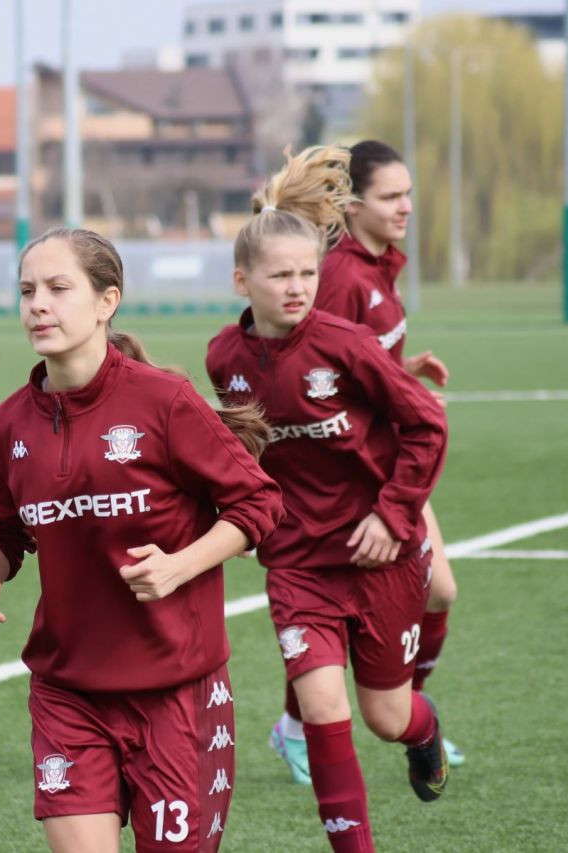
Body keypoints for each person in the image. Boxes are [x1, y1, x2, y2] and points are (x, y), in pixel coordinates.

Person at [0, 226, 283, 852]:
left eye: (57, 288)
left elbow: (259, 501)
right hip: (67, 693)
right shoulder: (5, 428)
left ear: (107, 302)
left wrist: (180, 566)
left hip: (176, 693)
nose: (38, 305)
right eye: (27, 291)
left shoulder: (165, 402)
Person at [206, 145, 450, 852]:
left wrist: (394, 512)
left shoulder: (347, 345)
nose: (297, 287)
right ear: (241, 279)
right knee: (319, 703)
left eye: (308, 273)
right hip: (298, 563)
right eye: (280, 275)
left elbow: (426, 422)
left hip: (380, 554)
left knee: (385, 714)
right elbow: (240, 452)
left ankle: (424, 729)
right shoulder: (224, 358)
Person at [266, 140, 466, 785]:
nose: (406, 206)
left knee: (439, 592)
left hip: (391, 462)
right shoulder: (345, 277)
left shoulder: (379, 266)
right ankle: (307, 726)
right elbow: (308, 369)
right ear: (353, 207)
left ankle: (404, 712)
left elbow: (349, 369)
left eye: (408, 193)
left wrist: (401, 372)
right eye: (390, 196)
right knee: (392, 599)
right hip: (360, 474)